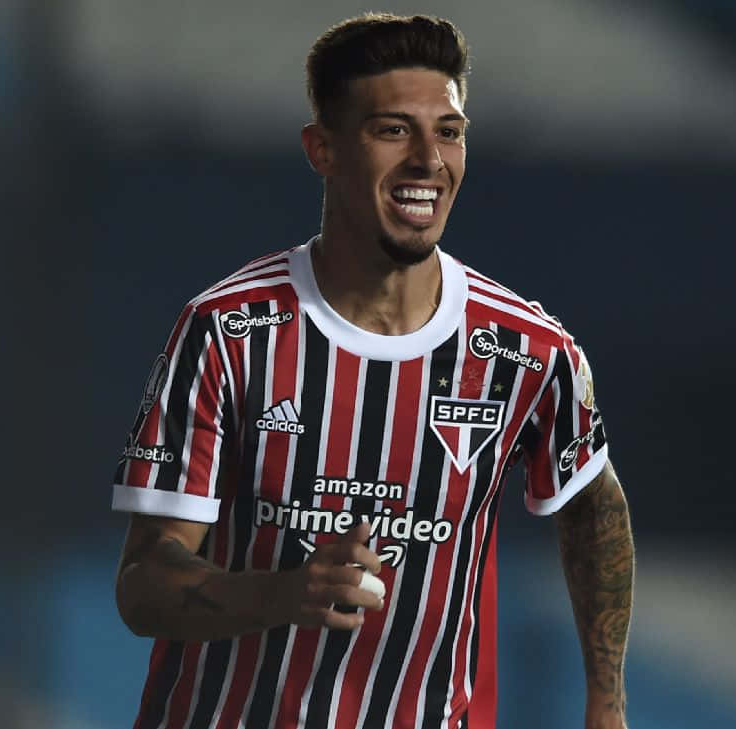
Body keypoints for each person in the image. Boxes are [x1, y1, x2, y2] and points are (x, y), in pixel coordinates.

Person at [111, 13, 634, 729]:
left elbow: (594, 504)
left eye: (449, 131)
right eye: (393, 130)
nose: (428, 159)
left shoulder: (526, 351)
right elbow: (143, 583)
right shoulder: (229, 331)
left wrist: (607, 703)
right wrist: (283, 593)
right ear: (321, 149)